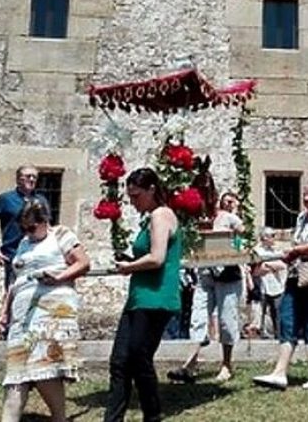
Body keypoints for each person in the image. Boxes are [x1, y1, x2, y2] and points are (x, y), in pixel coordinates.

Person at [0, 201, 90, 422]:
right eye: (23, 228)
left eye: (31, 227)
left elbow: (83, 263)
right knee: (16, 370)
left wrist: (59, 277)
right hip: (22, 314)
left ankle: (59, 418)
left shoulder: (61, 235)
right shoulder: (23, 244)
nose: (27, 232)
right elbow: (15, 281)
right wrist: (4, 313)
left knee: (44, 365)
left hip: (51, 309)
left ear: (45, 221)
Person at [104, 167, 183, 422]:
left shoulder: (161, 215)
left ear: (152, 190)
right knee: (119, 361)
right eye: (130, 197)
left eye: (137, 196)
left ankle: (153, 414)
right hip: (139, 297)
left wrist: (129, 267)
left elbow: (157, 258)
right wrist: (131, 262)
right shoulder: (150, 218)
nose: (133, 202)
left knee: (139, 357)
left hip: (156, 297)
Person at [253, 178, 308, 391]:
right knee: (287, 319)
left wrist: (296, 250)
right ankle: (279, 372)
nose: (307, 198)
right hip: (295, 275)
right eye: (305, 194)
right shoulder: (302, 217)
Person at [169, 191, 245, 383]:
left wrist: (233, 238)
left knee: (226, 320)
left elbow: (244, 232)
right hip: (204, 274)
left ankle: (226, 364)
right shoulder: (196, 219)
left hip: (226, 273)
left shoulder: (227, 217)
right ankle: (190, 365)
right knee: (198, 318)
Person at [0, 165, 51, 291]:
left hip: (37, 253)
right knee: (13, 291)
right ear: (18, 179)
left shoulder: (41, 200)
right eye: (28, 176)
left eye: (34, 177)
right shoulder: (6, 199)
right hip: (13, 254)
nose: (32, 179)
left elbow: (47, 226)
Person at [251, 227, 287, 338]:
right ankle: (261, 333)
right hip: (262, 286)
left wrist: (267, 264)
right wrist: (270, 266)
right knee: (260, 312)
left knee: (277, 312)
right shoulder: (256, 251)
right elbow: (257, 269)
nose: (274, 238)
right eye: (272, 236)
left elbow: (282, 265)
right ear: (264, 237)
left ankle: (278, 335)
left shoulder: (276, 251)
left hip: (276, 286)